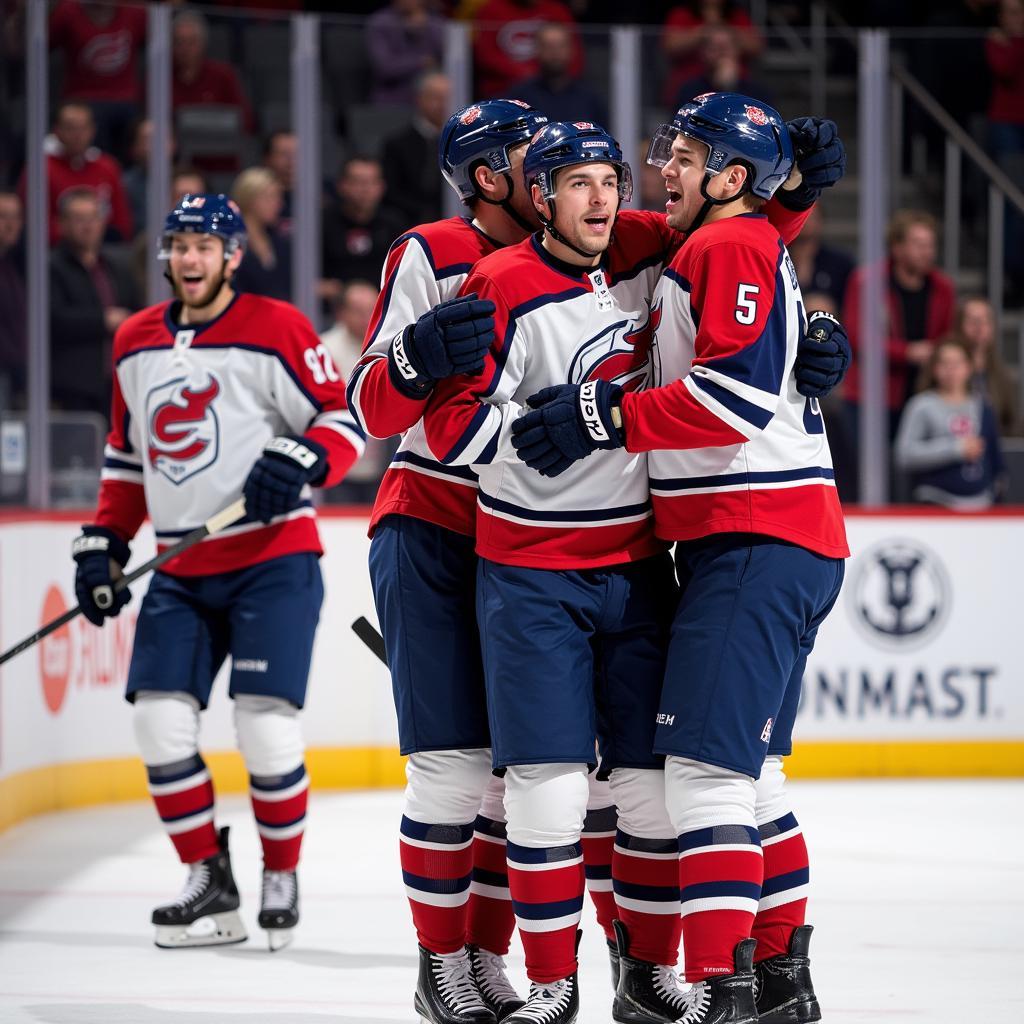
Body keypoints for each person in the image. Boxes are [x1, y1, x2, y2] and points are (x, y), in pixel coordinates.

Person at [425, 110, 848, 1024]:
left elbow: (729, 387)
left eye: (678, 162)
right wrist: (792, 206)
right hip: (715, 543)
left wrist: (601, 417)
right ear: (537, 193)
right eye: (581, 180)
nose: (632, 187)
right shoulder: (582, 262)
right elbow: (441, 420)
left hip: (740, 539)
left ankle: (720, 990)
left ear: (731, 177)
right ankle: (771, 982)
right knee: (719, 782)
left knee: (694, 783)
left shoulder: (708, 245)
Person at [69, 193, 364, 953]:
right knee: (157, 723)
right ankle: (208, 874)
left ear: (234, 255)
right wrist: (104, 539)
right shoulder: (134, 341)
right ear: (164, 255)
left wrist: (300, 457)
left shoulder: (277, 328)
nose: (191, 260)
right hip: (179, 564)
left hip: (273, 557)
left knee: (265, 730)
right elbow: (127, 458)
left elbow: (342, 421)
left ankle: (280, 872)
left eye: (206, 246)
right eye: (179, 246)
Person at [842, 209, 956, 438]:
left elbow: (949, 337)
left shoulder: (943, 288)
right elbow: (858, 338)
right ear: (897, 247)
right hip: (872, 396)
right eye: (918, 244)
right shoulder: (867, 282)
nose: (927, 252)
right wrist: (907, 352)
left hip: (925, 392)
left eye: (930, 245)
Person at [50, 188, 140, 417]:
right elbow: (53, 318)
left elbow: (135, 307)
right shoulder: (51, 267)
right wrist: (103, 320)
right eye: (79, 219)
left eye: (93, 217)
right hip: (74, 387)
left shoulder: (115, 265)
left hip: (118, 382)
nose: (88, 226)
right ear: (62, 223)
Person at [895, 337, 1008, 508]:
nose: (951, 370)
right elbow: (905, 454)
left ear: (969, 367)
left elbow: (994, 457)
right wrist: (955, 449)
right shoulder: (922, 405)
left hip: (981, 503)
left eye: (957, 363)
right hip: (936, 501)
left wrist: (997, 493)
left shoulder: (982, 406)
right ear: (934, 368)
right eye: (945, 363)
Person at [20, 101, 134, 244]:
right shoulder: (40, 169)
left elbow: (122, 223)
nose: (77, 135)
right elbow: (36, 225)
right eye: (70, 128)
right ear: (56, 131)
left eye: (83, 128)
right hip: (56, 253)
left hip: (104, 251)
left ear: (93, 130)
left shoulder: (108, 167)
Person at [49, 0, 148, 158]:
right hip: (83, 97)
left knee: (138, 130)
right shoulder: (68, 10)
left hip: (126, 100)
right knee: (85, 123)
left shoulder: (135, 10)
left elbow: (158, 45)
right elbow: (39, 45)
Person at [322, 156, 405, 291]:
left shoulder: (394, 224)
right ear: (341, 185)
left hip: (382, 305)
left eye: (371, 182)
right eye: (358, 182)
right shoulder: (323, 223)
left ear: (382, 187)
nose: (365, 189)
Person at [380, 71, 451, 227]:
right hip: (407, 224)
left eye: (447, 98)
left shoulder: (461, 143)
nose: (442, 104)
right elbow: (391, 192)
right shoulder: (397, 144)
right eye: (436, 97)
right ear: (419, 99)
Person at [472, 0, 583, 98]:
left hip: (553, 90)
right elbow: (485, 55)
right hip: (503, 91)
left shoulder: (557, 10)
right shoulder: (491, 9)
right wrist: (525, 74)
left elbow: (574, 56)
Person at [510, 22, 608, 125]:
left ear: (572, 50)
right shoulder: (519, 98)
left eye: (561, 46)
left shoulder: (590, 99)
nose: (555, 52)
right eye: (549, 46)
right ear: (537, 49)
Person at [366, 0, 445, 106]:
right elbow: (384, 68)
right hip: (392, 98)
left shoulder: (435, 23)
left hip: (431, 102)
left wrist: (424, 30)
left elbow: (447, 58)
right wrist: (420, 62)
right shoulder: (380, 22)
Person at [231, 167, 292, 302]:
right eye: (272, 197)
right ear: (250, 199)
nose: (279, 204)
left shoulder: (280, 243)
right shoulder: (231, 243)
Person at [0, 191, 26, 409]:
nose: (10, 224)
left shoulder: (14, 265)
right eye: (2, 216)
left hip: (14, 372)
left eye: (15, 217)